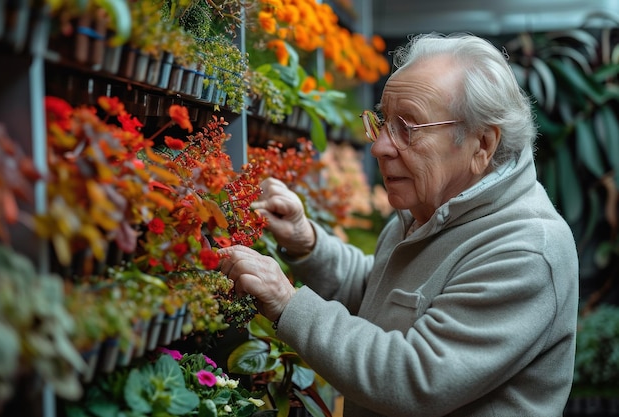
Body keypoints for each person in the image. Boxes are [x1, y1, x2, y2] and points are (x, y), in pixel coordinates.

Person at [219, 32, 579, 417]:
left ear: (482, 144)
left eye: (407, 128)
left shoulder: (525, 250)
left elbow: (415, 378)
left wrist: (287, 303)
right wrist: (308, 243)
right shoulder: (430, 208)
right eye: (383, 122)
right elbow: (380, 295)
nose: (379, 147)